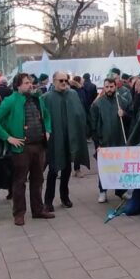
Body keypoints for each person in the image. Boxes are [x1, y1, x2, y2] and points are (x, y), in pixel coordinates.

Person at [0, 73, 54, 225]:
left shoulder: (38, 99)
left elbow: (47, 116)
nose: (30, 85)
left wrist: (48, 130)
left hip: (39, 145)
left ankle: (38, 210)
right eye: (26, 83)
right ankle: (19, 213)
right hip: (21, 149)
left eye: (30, 82)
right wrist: (8, 137)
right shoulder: (10, 101)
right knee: (19, 182)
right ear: (18, 86)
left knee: (38, 180)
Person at [43, 71, 90, 211]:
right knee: (53, 170)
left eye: (66, 80)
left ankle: (65, 196)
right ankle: (48, 201)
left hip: (70, 138)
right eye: (61, 80)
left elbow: (80, 114)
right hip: (54, 140)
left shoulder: (73, 95)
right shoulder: (46, 97)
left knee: (67, 169)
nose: (64, 82)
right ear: (54, 81)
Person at [90, 77, 130, 203]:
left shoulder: (122, 101)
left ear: (115, 87)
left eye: (111, 87)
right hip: (104, 142)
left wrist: (124, 115)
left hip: (119, 140)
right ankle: (103, 191)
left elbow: (131, 120)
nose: (109, 89)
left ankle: (121, 191)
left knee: (120, 167)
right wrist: (97, 143)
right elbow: (93, 125)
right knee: (104, 168)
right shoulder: (97, 104)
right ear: (104, 87)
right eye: (106, 87)